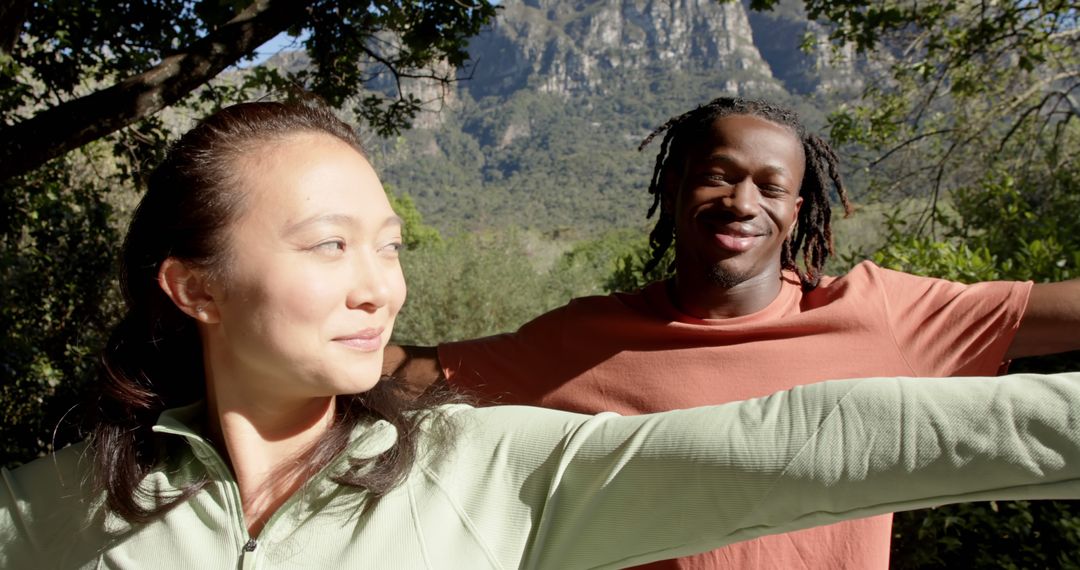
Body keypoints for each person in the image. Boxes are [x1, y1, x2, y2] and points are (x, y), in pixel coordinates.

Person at [4, 101, 1080, 570]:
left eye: (390, 247)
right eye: (333, 246)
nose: (382, 285)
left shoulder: (492, 474)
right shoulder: (43, 511)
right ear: (194, 287)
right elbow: (440, 367)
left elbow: (817, 439)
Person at [387, 97, 1080, 569]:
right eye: (717, 177)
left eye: (769, 187)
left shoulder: (883, 315)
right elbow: (402, 374)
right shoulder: (583, 338)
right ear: (675, 186)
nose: (742, 203)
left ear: (796, 207)